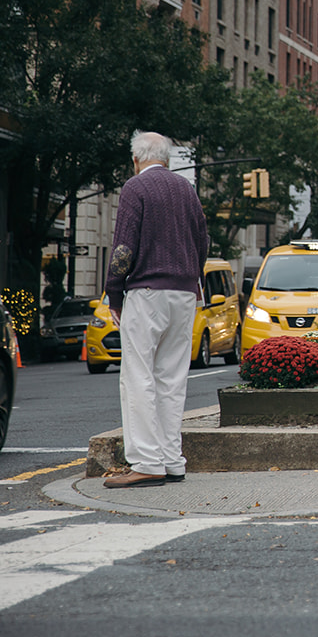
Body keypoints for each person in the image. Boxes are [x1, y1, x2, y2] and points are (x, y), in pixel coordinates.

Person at [102, 131, 209, 489]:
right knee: (172, 379)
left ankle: (147, 462)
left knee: (138, 377)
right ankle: (172, 460)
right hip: (183, 294)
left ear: (136, 159)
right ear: (167, 158)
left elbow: (123, 249)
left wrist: (113, 293)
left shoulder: (136, 188)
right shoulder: (186, 190)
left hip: (147, 293)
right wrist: (193, 278)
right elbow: (202, 240)